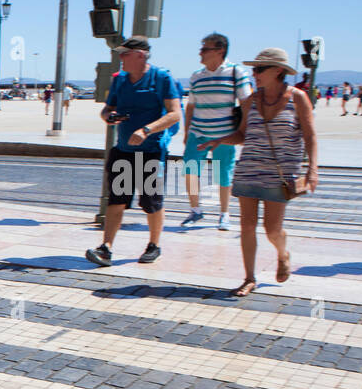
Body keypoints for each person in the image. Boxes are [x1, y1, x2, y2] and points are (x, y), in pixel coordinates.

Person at [197, 48, 315, 297]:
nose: (255, 73)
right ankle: (249, 278)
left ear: (278, 71)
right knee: (247, 225)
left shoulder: (298, 98)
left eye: (260, 69)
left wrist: (312, 169)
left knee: (272, 228)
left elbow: (310, 135)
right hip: (249, 168)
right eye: (254, 69)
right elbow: (242, 134)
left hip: (280, 173)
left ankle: (283, 254)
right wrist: (219, 140)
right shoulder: (251, 100)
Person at [86, 36, 183, 267]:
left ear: (140, 55)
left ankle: (153, 245)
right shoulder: (120, 80)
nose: (120, 58)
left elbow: (174, 114)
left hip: (151, 151)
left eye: (125, 54)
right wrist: (108, 117)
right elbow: (107, 109)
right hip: (123, 150)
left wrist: (146, 130)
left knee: (152, 202)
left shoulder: (161, 78)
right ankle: (106, 247)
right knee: (117, 200)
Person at [181, 32, 253, 230]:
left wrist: (243, 131)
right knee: (189, 169)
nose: (200, 52)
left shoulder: (235, 72)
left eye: (205, 48)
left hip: (225, 135)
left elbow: (247, 102)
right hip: (198, 132)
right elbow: (191, 106)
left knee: (224, 174)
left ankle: (224, 214)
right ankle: (195, 210)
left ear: (220, 51)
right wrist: (187, 132)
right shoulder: (197, 76)